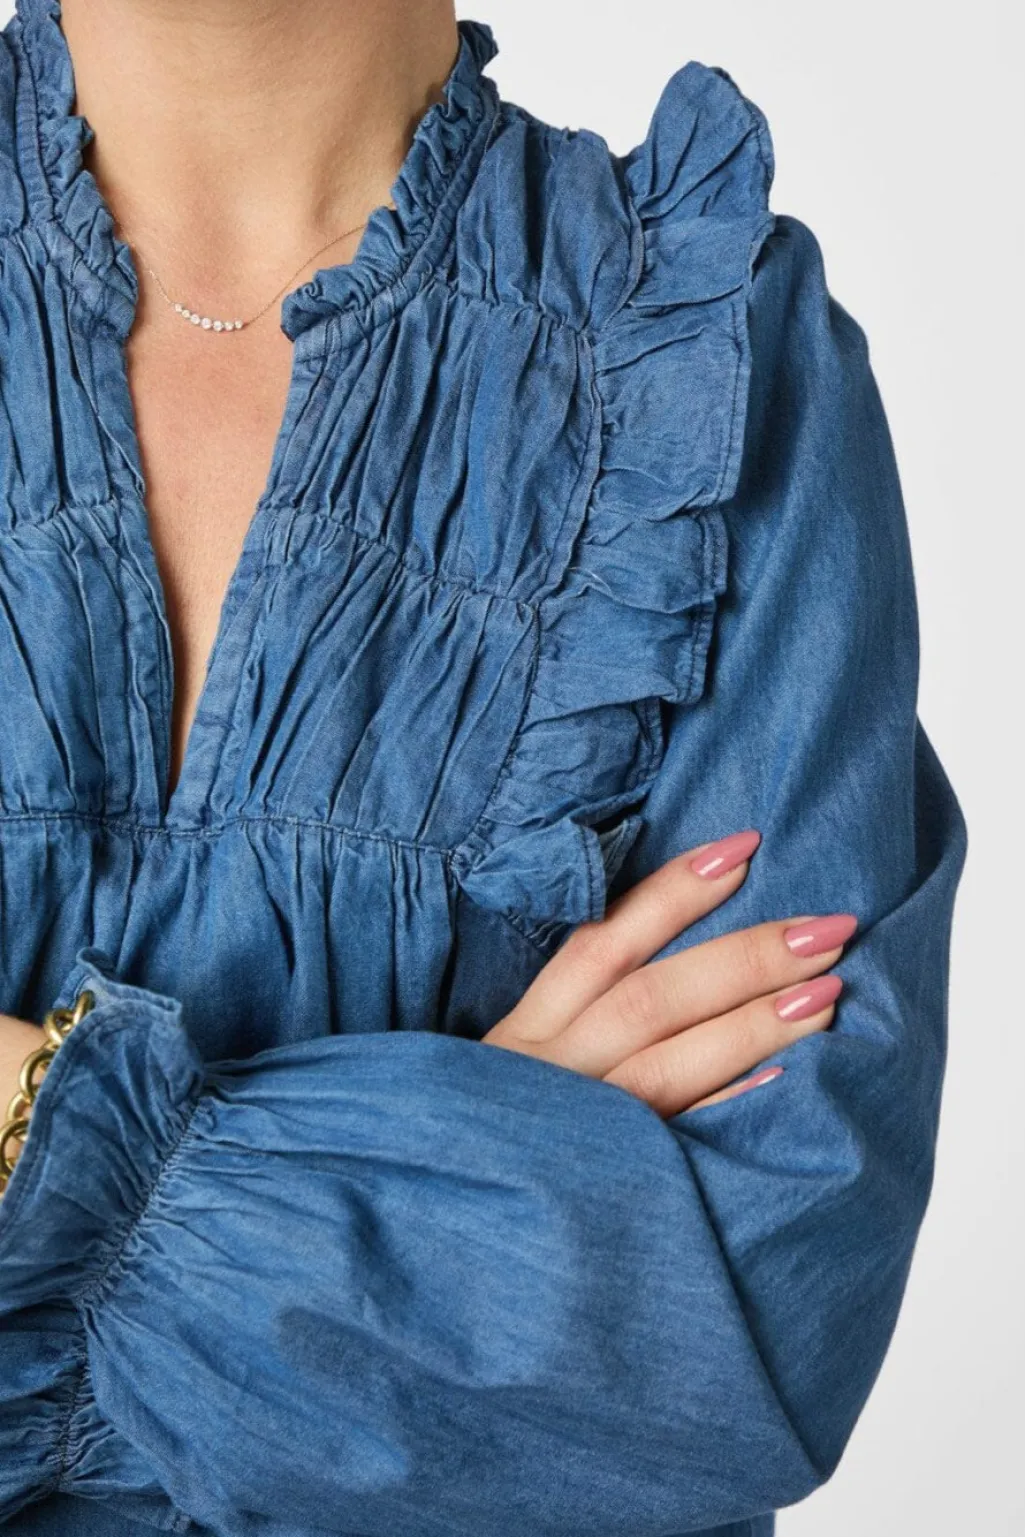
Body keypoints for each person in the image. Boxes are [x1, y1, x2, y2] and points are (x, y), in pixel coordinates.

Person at [0, 0, 967, 1534]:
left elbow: (745, 1331)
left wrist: (58, 1163)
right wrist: (452, 1200)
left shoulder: (705, 353)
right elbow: (575, 1366)